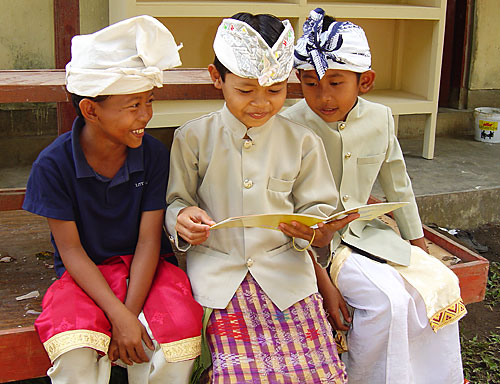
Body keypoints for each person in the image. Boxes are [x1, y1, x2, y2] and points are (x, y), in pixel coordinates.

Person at [282, 8, 466, 384]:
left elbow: (399, 183)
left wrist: (418, 244)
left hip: (371, 235)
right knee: (387, 303)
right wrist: (320, 276)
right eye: (311, 83)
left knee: (441, 282)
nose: (323, 96)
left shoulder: (381, 118)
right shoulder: (288, 126)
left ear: (364, 81)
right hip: (315, 247)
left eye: (335, 83)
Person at [166, 12, 352, 383]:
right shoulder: (192, 138)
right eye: (246, 90)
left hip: (286, 276)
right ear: (216, 78)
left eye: (275, 90)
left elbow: (318, 209)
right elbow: (175, 202)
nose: (261, 104)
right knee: (238, 374)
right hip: (219, 277)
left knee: (317, 371)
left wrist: (317, 230)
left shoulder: (302, 141)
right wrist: (181, 219)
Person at [22, 15, 203, 384]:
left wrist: (130, 314)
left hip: (146, 271)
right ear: (91, 109)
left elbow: (149, 239)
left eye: (149, 101)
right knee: (74, 352)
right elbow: (71, 252)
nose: (146, 115)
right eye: (133, 105)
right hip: (85, 274)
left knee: (173, 341)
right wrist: (120, 317)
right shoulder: (53, 165)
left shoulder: (152, 155)